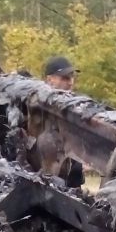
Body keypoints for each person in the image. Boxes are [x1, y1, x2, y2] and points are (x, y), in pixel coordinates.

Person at [42, 56, 84, 187]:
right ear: (50, 79)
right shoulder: (38, 106)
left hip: (71, 183)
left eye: (72, 77)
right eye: (65, 78)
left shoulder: (76, 107)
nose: (70, 82)